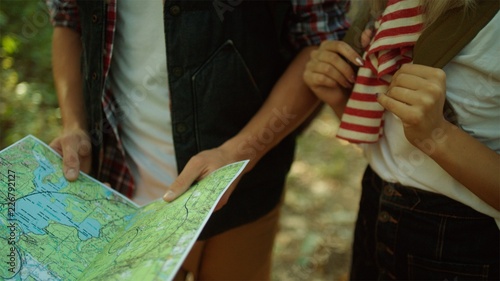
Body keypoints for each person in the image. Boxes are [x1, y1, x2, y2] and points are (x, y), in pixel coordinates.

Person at [45, 0, 350, 279]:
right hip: (120, 193)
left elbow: (318, 43)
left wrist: (238, 153)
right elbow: (68, 19)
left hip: (244, 193)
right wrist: (75, 125)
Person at [304, 0, 500, 279]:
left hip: (464, 240)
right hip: (373, 202)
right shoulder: (389, 6)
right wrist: (339, 97)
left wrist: (439, 136)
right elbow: (393, 145)